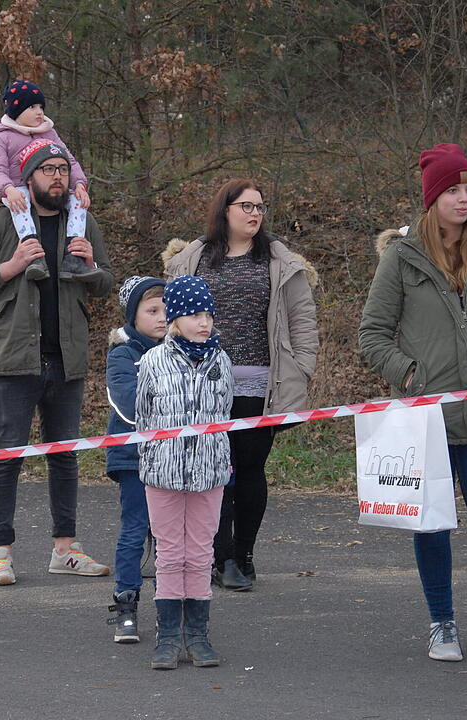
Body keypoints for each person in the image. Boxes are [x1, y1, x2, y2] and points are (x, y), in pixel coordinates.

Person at [359, 143, 467, 662]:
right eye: (453, 190)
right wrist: (410, 374)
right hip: (425, 417)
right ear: (432, 197)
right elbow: (372, 334)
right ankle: (442, 624)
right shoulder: (403, 254)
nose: (464, 199)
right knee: (431, 520)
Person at [0, 139, 116, 585]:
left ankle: (65, 551)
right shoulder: (1, 221)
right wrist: (11, 266)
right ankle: (1, 553)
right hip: (14, 358)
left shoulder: (83, 221)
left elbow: (106, 282)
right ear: (28, 177)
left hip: (66, 358)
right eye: (47, 170)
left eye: (62, 169)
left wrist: (92, 264)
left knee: (65, 457)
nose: (58, 177)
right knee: (7, 455)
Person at [164, 178, 319, 590]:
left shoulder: (280, 261)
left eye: (260, 207)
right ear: (225, 209)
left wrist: (300, 369)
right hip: (201, 385)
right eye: (246, 205)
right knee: (214, 472)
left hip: (258, 386)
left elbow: (303, 321)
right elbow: (170, 318)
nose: (255, 213)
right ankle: (219, 556)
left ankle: (243, 555)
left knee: (249, 470)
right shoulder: (193, 258)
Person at [137, 275, 233, 670]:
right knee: (169, 553)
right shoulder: (152, 361)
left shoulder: (222, 361)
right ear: (176, 318)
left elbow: (225, 414)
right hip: (163, 474)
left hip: (209, 474)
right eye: (194, 314)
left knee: (200, 552)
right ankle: (168, 635)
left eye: (208, 313)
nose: (204, 321)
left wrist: (217, 459)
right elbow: (142, 417)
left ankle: (198, 634)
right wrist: (154, 458)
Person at [104, 275, 167, 643]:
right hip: (133, 459)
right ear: (133, 315)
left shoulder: (183, 349)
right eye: (152, 310)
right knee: (134, 531)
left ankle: (168, 605)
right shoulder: (123, 354)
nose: (162, 316)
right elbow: (129, 407)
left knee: (167, 537)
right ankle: (126, 605)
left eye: (165, 309)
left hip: (172, 459)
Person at [0, 79, 99, 281]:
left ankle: (73, 250)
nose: (39, 112)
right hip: (15, 189)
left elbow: (69, 161)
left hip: (47, 190)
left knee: (78, 202)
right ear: (15, 111)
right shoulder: (1, 136)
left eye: (41, 106)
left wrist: (79, 184)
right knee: (21, 201)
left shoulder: (48, 132)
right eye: (32, 107)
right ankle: (33, 252)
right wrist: (7, 189)